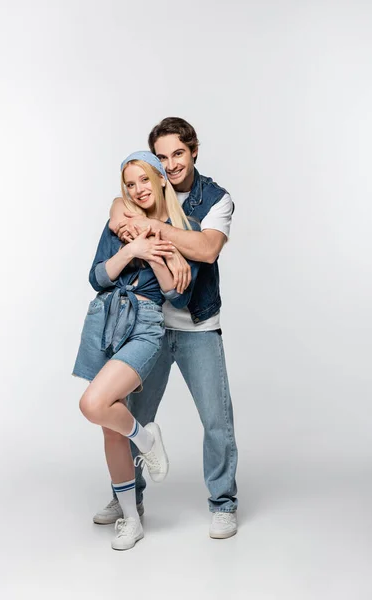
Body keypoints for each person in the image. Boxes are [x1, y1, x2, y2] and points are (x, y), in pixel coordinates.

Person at [95, 117, 239, 540]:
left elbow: (208, 249)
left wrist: (154, 228)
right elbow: (119, 205)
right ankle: (128, 499)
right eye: (162, 156)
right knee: (134, 418)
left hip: (197, 324)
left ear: (194, 151)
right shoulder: (146, 186)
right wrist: (124, 216)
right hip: (148, 326)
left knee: (216, 420)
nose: (171, 164)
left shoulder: (216, 199)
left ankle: (223, 503)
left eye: (178, 153)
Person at [73, 150, 200, 550]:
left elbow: (175, 298)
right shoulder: (119, 224)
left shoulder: (181, 230)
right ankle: (131, 516)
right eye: (130, 184)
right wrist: (130, 250)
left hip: (145, 327)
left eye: (144, 179)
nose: (138, 189)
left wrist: (154, 248)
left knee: (93, 404)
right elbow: (97, 277)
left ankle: (145, 439)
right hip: (107, 322)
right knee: (111, 428)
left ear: (162, 178)